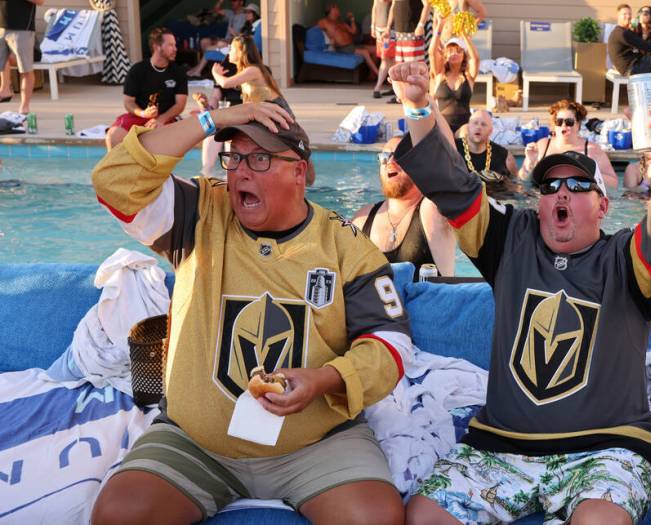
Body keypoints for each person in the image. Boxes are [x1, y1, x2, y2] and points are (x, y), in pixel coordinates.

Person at [385, 58, 651, 525]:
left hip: (607, 448)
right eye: (550, 185)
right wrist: (416, 108)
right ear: (538, 201)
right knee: (424, 516)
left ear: (603, 205)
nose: (561, 193)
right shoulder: (512, 239)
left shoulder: (625, 260)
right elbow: (453, 187)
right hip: (500, 446)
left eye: (577, 184)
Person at [89, 99, 409, 525]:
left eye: (259, 158)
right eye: (234, 156)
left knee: (376, 520)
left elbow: (390, 344)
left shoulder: (346, 247)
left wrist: (323, 380)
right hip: (196, 443)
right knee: (118, 514)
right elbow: (113, 180)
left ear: (298, 171)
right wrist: (211, 120)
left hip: (317, 443)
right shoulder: (199, 213)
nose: (239, 170)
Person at [352, 136, 456, 281]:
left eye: (400, 156)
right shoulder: (362, 219)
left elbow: (451, 171)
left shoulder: (433, 210)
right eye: (384, 157)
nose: (390, 162)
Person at [105, 27, 188, 150]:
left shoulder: (178, 72)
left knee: (167, 140)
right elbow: (128, 102)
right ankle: (116, 168)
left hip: (166, 118)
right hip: (139, 116)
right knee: (113, 135)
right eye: (170, 45)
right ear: (157, 47)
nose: (175, 49)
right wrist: (143, 113)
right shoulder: (137, 70)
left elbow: (180, 105)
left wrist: (160, 120)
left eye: (175, 45)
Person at [519, 99, 620, 190]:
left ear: (578, 124)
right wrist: (530, 163)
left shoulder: (591, 150)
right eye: (559, 122)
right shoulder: (542, 145)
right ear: (554, 125)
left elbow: (614, 184)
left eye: (569, 122)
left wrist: (591, 172)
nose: (564, 125)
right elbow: (522, 180)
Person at [0, 0, 45, 114]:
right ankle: (5, 90)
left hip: (21, 28)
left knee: (25, 69)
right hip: (0, 26)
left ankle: (24, 108)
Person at [429, 23, 479, 135]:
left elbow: (475, 59)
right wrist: (439, 28)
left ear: (464, 56)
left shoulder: (468, 76)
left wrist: (465, 35)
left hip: (464, 126)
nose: (454, 54)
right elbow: (432, 54)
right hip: (442, 125)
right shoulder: (439, 75)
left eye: (458, 51)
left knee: (464, 135)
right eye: (450, 51)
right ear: (445, 55)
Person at [187, 0, 249, 77]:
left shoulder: (245, 16)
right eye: (231, 0)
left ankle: (200, 69)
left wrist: (230, 38)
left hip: (233, 43)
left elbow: (243, 37)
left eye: (234, 0)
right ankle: (204, 67)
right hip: (224, 41)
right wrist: (221, 0)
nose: (232, 2)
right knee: (204, 41)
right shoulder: (230, 13)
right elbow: (216, 10)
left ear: (241, 2)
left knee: (210, 47)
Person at [212, 34, 285, 104]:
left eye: (231, 49)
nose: (229, 53)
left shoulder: (253, 70)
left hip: (276, 109)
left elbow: (225, 83)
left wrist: (215, 73)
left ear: (240, 52)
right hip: (265, 110)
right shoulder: (245, 70)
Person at [607, 3, 651, 77]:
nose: (628, 16)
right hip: (633, 69)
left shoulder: (623, 32)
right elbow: (644, 46)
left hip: (637, 66)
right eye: (624, 14)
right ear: (618, 16)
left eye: (629, 14)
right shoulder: (622, 33)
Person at [317, 4, 380, 79]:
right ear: (331, 10)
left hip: (352, 46)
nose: (339, 10)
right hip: (342, 48)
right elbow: (315, 30)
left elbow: (353, 31)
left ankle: (371, 75)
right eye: (337, 8)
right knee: (365, 52)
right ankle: (379, 75)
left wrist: (352, 20)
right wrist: (327, 40)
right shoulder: (324, 22)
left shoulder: (341, 23)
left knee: (376, 49)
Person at [455, 108, 518, 181]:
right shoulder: (454, 150)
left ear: (490, 131)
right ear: (468, 127)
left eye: (483, 124)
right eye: (475, 123)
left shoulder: (505, 156)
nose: (479, 127)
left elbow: (516, 184)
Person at [371, 0, 397, 99]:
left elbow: (400, 1)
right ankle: (394, 87)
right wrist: (373, 25)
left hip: (391, 26)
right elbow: (375, 4)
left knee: (389, 58)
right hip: (380, 25)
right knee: (387, 58)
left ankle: (378, 87)